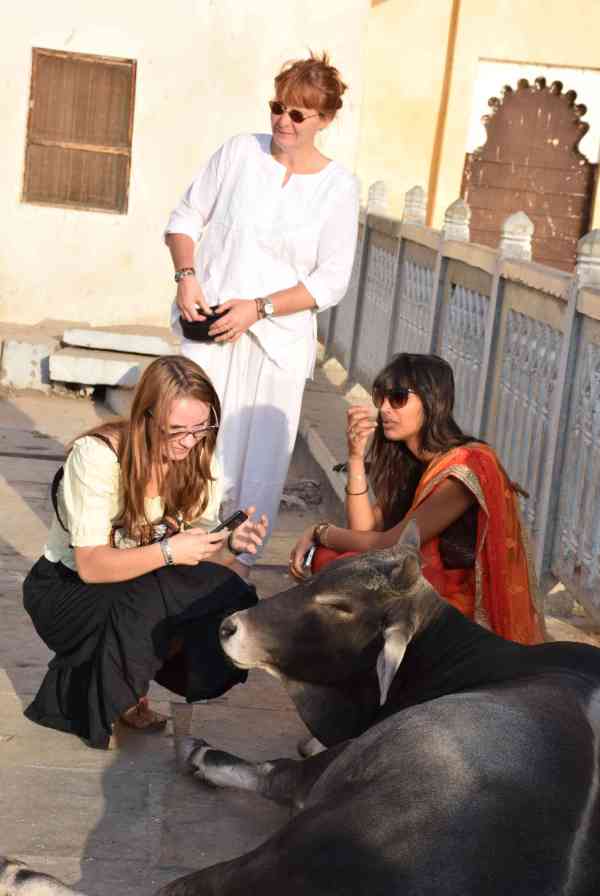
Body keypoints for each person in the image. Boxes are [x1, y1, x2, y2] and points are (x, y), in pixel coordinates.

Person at [164, 52, 359, 572]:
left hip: (278, 342)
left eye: (300, 113)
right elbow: (184, 220)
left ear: (325, 120)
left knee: (260, 465)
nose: (284, 121)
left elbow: (330, 280)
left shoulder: (338, 188)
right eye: (279, 107)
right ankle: (171, 556)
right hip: (210, 334)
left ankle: (233, 573)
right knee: (187, 438)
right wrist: (187, 278)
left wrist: (260, 307)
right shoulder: (238, 154)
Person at [23, 355, 268, 749]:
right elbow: (90, 565)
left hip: (139, 588)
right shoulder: (98, 456)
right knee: (156, 594)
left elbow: (197, 559)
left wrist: (228, 547)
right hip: (66, 591)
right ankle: (114, 693)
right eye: (177, 431)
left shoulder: (199, 459)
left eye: (201, 428)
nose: (189, 441)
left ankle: (120, 683)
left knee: (228, 588)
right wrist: (169, 550)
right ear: (146, 418)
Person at [290, 353, 543, 645]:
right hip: (418, 585)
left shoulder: (464, 469)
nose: (384, 409)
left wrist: (320, 531)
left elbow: (391, 543)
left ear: (432, 401)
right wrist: (356, 457)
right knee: (329, 561)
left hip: (454, 604)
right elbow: (364, 531)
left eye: (397, 398)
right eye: (380, 398)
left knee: (334, 566)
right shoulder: (409, 460)